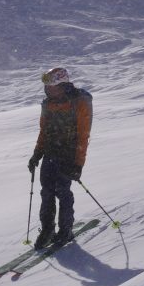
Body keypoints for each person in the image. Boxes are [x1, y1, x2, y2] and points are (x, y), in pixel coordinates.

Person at [27, 67, 93, 249]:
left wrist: (78, 165)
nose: (48, 90)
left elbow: (83, 136)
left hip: (69, 155)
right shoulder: (47, 104)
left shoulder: (79, 102)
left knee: (63, 192)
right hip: (50, 153)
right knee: (46, 192)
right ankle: (47, 230)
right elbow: (44, 131)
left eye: (52, 86)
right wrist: (36, 154)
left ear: (63, 85)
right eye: (46, 87)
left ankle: (66, 230)